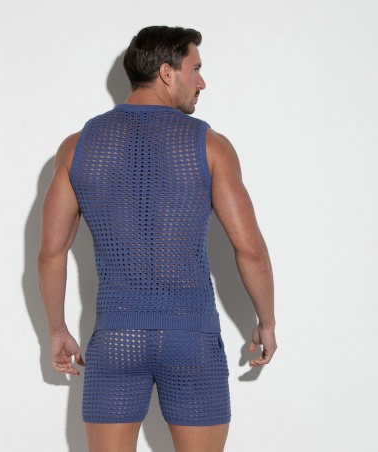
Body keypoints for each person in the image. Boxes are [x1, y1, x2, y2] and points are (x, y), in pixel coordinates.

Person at [38, 25, 276, 452]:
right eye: (195, 69)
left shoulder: (77, 147)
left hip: (115, 339)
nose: (202, 82)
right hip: (192, 339)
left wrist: (57, 329)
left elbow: (51, 253)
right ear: (167, 73)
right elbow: (250, 250)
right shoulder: (211, 146)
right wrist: (267, 322)